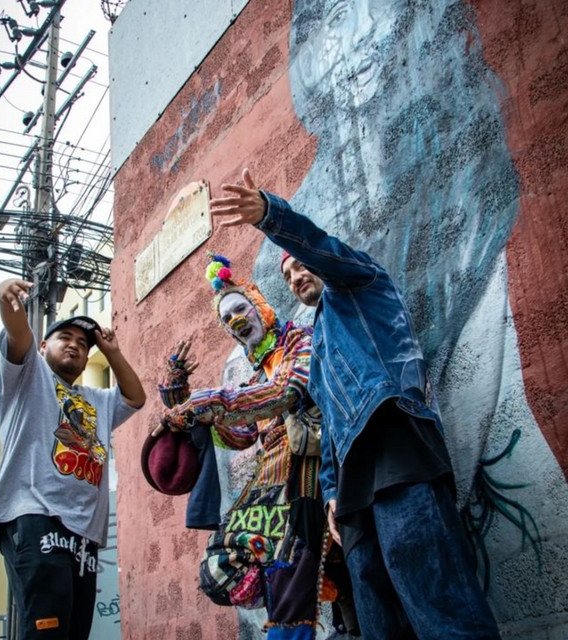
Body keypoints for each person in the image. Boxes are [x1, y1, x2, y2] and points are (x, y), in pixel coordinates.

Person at [209, 169, 501, 640]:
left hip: (396, 454)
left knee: (441, 607)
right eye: (287, 275)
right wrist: (330, 492)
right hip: (351, 494)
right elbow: (328, 425)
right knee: (380, 621)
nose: (296, 276)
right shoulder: (319, 344)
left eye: (299, 266)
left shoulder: (361, 283)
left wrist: (271, 216)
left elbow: (319, 246)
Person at [156, 254, 357, 639]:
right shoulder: (253, 379)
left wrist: (208, 403)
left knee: (294, 568)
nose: (235, 320)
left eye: (239, 309)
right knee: (235, 566)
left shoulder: (299, 339)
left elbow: (286, 392)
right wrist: (183, 402)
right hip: (272, 483)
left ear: (260, 306)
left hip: (310, 470)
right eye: (226, 318)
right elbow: (239, 435)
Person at [0, 278, 145, 640]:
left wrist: (112, 353)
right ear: (43, 346)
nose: (74, 345)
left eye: (83, 344)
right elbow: (18, 335)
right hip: (34, 513)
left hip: (83, 530)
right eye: (65, 338)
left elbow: (135, 398)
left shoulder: (96, 399)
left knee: (73, 631)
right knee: (47, 629)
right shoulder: (29, 375)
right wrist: (5, 298)